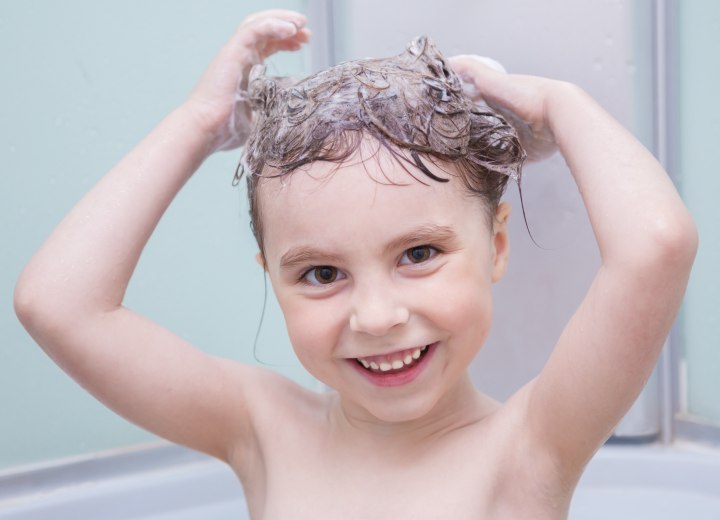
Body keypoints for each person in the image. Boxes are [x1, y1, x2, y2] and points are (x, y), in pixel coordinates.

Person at [14, 9, 697, 519]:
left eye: (419, 254)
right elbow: (58, 304)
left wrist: (558, 103)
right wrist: (199, 122)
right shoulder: (261, 429)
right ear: (271, 278)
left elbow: (656, 247)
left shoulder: (529, 448)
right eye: (320, 274)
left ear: (495, 246)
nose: (376, 317)